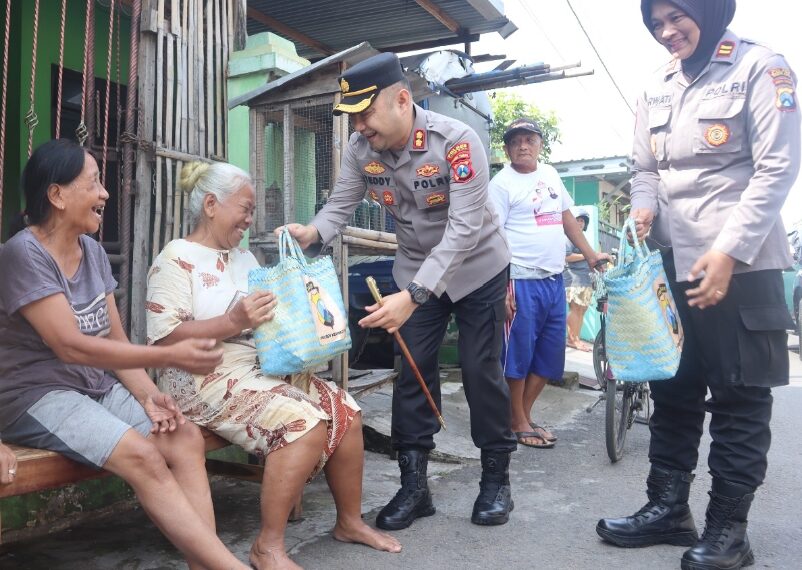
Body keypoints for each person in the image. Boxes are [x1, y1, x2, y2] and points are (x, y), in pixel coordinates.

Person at [596, 2, 800, 570]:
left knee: (737, 398)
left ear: (708, 11)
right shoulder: (656, 85)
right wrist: (640, 209)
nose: (666, 32)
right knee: (673, 389)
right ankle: (668, 509)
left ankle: (729, 531)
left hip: (741, 263)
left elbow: (777, 166)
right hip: (669, 265)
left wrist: (729, 250)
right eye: (655, 22)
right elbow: (644, 169)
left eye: (676, 17)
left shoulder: (762, 67)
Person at [280, 51, 517, 529]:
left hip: (477, 268)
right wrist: (314, 232)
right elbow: (341, 202)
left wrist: (413, 295)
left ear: (403, 100)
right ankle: (414, 487)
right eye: (353, 117)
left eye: (366, 114)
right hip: (414, 267)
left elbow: (464, 230)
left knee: (479, 369)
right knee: (411, 373)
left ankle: (496, 479)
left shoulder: (457, 143)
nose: (360, 127)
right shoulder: (359, 149)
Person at [0, 139, 249, 570]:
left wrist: (149, 394)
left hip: (92, 385)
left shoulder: (92, 251)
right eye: (94, 183)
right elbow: (69, 345)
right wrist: (173, 358)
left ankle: (202, 564)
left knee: (183, 437)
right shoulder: (24, 254)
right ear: (56, 195)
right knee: (143, 456)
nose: (105, 194)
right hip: (35, 394)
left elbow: (114, 341)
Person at [146, 160, 401, 570]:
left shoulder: (244, 258)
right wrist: (233, 322)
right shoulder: (177, 257)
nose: (249, 219)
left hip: (257, 366)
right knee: (304, 424)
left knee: (347, 412)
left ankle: (349, 522)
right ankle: (268, 548)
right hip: (200, 376)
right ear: (211, 204)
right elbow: (162, 338)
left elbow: (265, 320)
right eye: (244, 209)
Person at [488, 119, 607, 449]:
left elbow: (568, 220)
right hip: (519, 280)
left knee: (550, 355)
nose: (523, 146)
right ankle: (519, 421)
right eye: (515, 142)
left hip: (554, 279)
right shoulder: (501, 185)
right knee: (518, 356)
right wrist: (500, 288)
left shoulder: (551, 175)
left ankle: (521, 417)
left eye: (529, 139)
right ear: (507, 149)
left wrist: (591, 254)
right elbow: (492, 238)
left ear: (540, 144)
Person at [563, 207, 594, 352]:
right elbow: (566, 256)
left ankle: (577, 338)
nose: (580, 223)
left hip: (584, 278)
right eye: (578, 220)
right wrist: (587, 255)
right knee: (575, 309)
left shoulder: (581, 237)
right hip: (574, 278)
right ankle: (572, 340)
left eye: (582, 221)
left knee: (581, 310)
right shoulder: (569, 236)